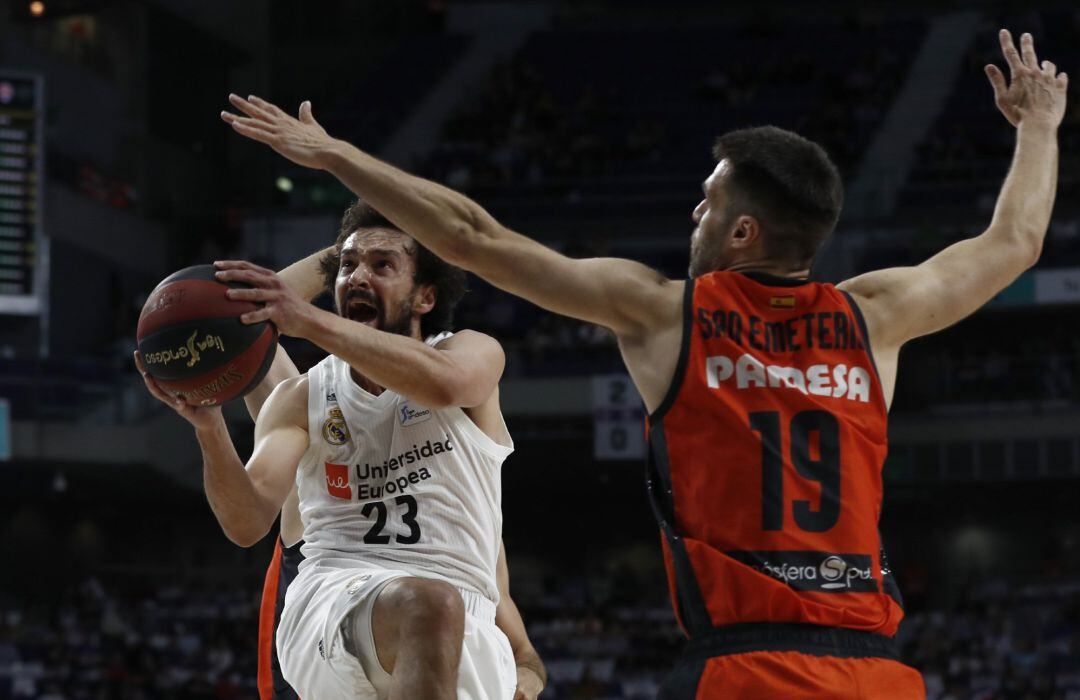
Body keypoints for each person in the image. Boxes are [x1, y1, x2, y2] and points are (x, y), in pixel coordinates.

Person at [220, 28, 1065, 699]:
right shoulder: (877, 316)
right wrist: (1038, 128)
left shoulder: (669, 314)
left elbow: (472, 237)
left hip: (750, 668)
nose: (693, 213)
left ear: (741, 233)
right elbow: (1016, 241)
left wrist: (336, 156)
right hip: (878, 671)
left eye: (707, 202)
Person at [135, 201, 546, 699]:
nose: (357, 276)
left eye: (382, 266)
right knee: (428, 604)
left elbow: (447, 385)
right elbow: (245, 524)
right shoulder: (302, 395)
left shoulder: (470, 351)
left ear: (425, 297)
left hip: (463, 618)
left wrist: (526, 672)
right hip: (334, 596)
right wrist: (209, 429)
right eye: (348, 266)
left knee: (438, 607)